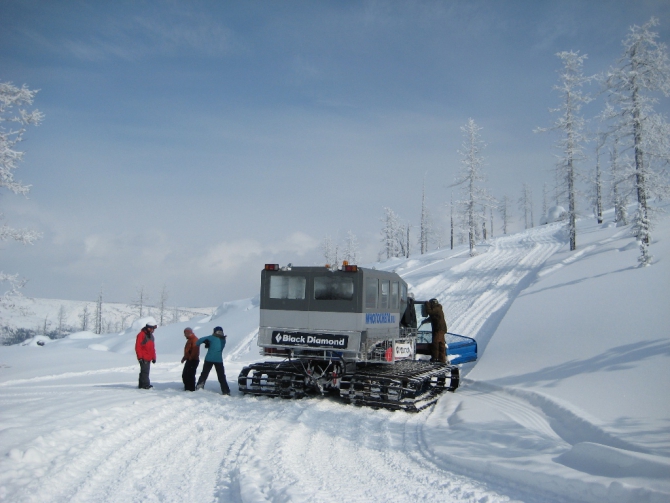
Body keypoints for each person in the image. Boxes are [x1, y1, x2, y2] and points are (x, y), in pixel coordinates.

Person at [195, 326, 231, 395]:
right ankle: (226, 391)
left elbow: (198, 342)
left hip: (209, 359)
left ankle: (199, 386)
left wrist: (206, 342)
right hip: (218, 360)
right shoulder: (223, 340)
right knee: (221, 376)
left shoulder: (211, 337)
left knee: (204, 374)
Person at [421, 298, 447, 363]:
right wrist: (425, 321)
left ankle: (435, 358)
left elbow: (430, 312)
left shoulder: (437, 308)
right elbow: (432, 317)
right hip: (440, 329)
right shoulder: (437, 309)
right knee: (441, 344)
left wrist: (427, 304)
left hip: (439, 329)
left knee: (435, 343)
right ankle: (442, 359)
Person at [135, 319, 157, 389]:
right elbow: (138, 347)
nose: (153, 330)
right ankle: (145, 385)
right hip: (144, 357)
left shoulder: (151, 336)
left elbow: (152, 348)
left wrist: (154, 357)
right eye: (152, 328)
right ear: (149, 328)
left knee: (144, 371)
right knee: (145, 372)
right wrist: (140, 357)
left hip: (148, 357)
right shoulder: (141, 335)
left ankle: (142, 385)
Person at [181, 327, 200, 391]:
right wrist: (184, 358)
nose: (184, 335)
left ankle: (191, 388)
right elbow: (188, 350)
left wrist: (190, 358)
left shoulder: (194, 339)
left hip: (193, 360)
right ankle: (187, 387)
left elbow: (195, 350)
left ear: (189, 333)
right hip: (189, 359)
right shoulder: (189, 339)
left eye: (185, 333)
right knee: (185, 375)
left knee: (190, 375)